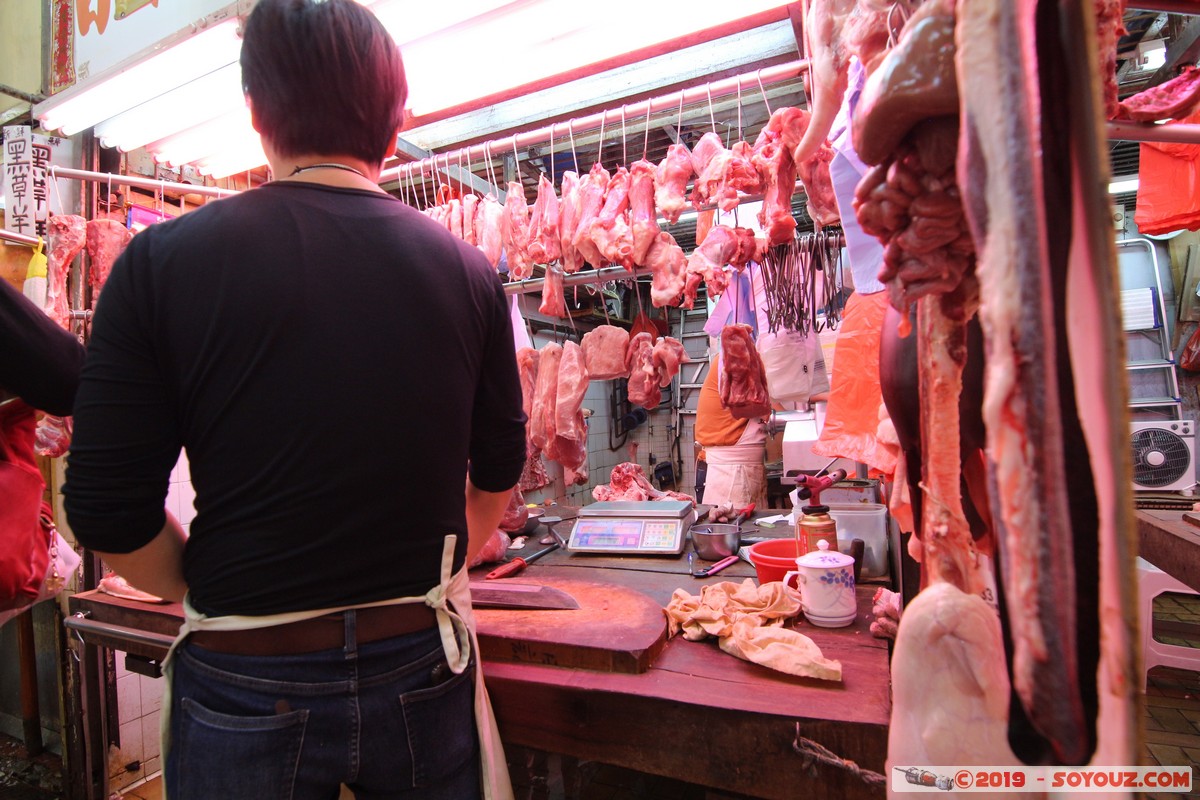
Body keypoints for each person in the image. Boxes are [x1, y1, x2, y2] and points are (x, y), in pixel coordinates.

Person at [62, 2, 527, 798]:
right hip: (420, 664)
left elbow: (105, 511)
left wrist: (217, 593)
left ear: (255, 115)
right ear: (394, 121)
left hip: (242, 680)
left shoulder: (159, 265)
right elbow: (498, 471)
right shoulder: (469, 272)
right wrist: (436, 567)